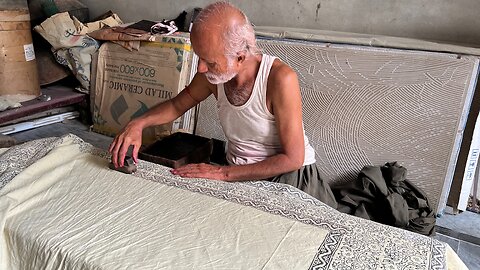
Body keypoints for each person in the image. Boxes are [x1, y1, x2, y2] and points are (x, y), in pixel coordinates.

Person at [109, 1, 337, 207]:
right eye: (199, 57)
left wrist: (223, 173)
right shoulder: (212, 75)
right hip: (236, 171)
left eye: (209, 61)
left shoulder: (280, 79)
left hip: (290, 178)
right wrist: (138, 123)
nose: (200, 68)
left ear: (240, 57)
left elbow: (293, 158)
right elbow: (177, 106)